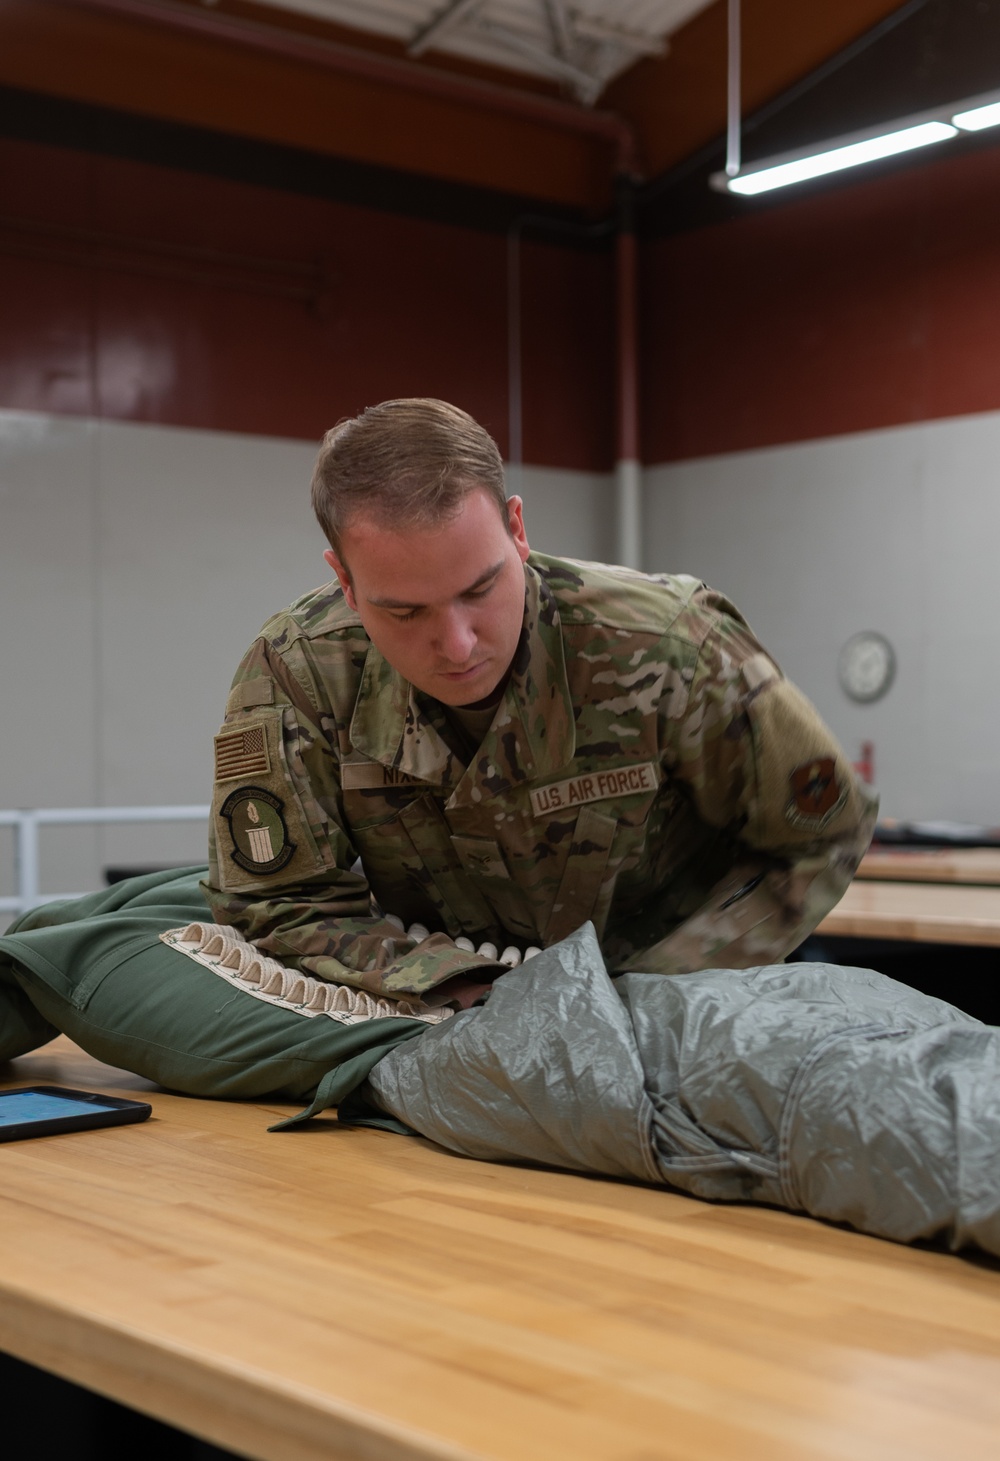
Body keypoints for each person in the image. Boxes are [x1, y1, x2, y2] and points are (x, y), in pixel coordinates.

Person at [203, 397, 876, 1009]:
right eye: (404, 612)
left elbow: (820, 833)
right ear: (345, 583)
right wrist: (446, 982)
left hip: (690, 999)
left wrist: (651, 997)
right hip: (451, 1013)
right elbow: (276, 898)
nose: (458, 644)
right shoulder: (302, 671)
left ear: (517, 529)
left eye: (481, 588)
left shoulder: (669, 644)